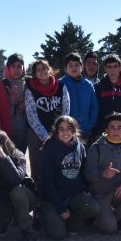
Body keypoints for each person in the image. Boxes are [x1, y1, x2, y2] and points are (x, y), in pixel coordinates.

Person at [40, 115, 100, 239]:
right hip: (54, 198)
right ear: (56, 131)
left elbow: (84, 171)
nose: (65, 132)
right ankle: (42, 216)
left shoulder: (80, 146)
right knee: (58, 235)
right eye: (61, 129)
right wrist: (60, 209)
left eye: (69, 128)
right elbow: (47, 183)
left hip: (73, 195)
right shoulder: (49, 149)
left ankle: (72, 222)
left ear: (74, 130)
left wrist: (86, 189)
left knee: (93, 207)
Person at [24, 59, 70, 189]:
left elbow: (65, 111)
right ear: (34, 74)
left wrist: (59, 132)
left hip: (59, 134)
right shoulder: (30, 89)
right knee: (38, 170)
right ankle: (39, 202)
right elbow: (31, 116)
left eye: (44, 68)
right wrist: (46, 137)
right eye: (38, 70)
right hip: (36, 136)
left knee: (57, 167)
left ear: (49, 69)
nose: (42, 72)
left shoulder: (61, 86)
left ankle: (56, 199)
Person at [59, 53, 98, 141]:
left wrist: (90, 124)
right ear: (65, 69)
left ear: (82, 67)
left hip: (85, 129)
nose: (74, 68)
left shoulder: (88, 85)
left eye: (77, 65)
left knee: (84, 154)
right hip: (66, 131)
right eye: (70, 65)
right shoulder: (60, 84)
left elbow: (94, 106)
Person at [93, 54, 121, 141]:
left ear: (120, 67)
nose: (112, 70)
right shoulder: (98, 87)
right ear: (105, 69)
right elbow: (95, 110)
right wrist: (97, 131)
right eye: (109, 67)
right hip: (102, 132)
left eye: (115, 66)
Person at [3, 53, 28, 152]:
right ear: (8, 68)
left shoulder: (29, 84)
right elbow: (2, 111)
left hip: (24, 132)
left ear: (23, 68)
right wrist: (12, 101)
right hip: (7, 132)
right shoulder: (2, 85)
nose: (16, 69)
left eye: (19, 66)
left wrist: (26, 105)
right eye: (13, 66)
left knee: (20, 161)